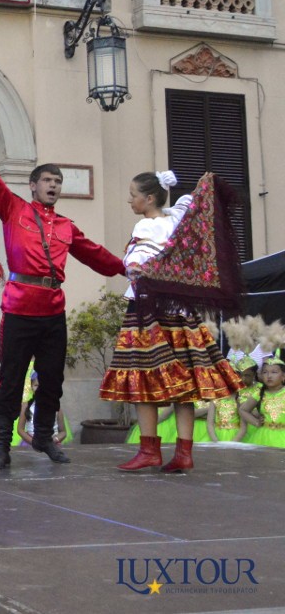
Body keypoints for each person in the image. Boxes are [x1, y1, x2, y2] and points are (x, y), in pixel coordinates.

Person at [0, 115, 125, 469]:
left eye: (58, 182)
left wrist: (127, 269)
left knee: (51, 380)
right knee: (10, 380)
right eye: (48, 180)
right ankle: (2, 446)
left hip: (53, 312)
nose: (53, 185)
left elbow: (95, 254)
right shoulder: (13, 208)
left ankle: (45, 438)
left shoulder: (66, 226)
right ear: (33, 185)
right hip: (19, 308)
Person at [101, 171, 243, 473]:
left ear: (149, 198)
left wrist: (134, 266)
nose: (129, 200)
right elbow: (188, 203)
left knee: (142, 375)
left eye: (133, 195)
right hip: (180, 310)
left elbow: (137, 263)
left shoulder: (146, 225)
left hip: (148, 309)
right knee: (186, 380)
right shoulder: (177, 220)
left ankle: (149, 450)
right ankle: (184, 452)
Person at [240, 356, 285, 448]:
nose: (269, 376)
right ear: (260, 375)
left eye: (274, 372)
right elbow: (243, 410)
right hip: (263, 437)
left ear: (283, 376)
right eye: (265, 372)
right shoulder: (259, 393)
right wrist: (255, 422)